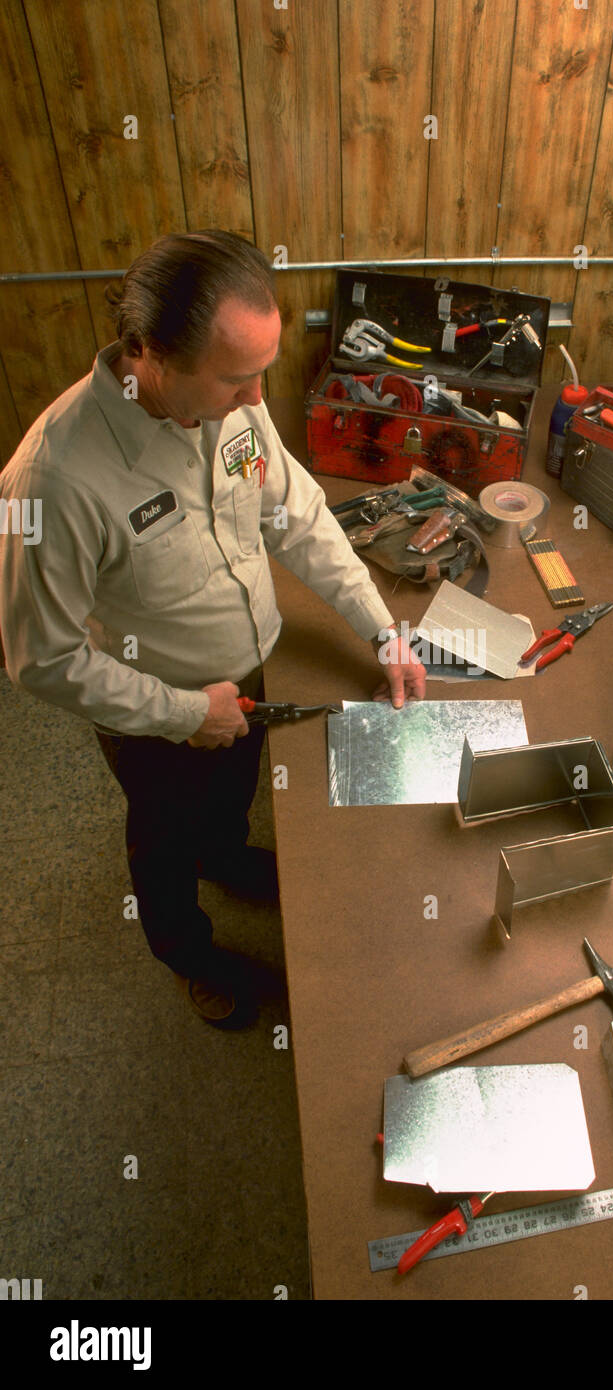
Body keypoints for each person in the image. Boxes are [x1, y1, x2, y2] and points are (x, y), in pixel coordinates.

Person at [0, 230, 426, 1024]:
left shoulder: (234, 411)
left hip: (249, 681)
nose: (260, 400)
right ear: (148, 354)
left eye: (261, 373)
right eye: (237, 379)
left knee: (228, 800)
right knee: (162, 844)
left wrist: (381, 628)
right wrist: (188, 714)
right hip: (157, 719)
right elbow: (39, 658)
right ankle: (186, 951)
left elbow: (298, 516)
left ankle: (225, 858)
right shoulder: (53, 479)